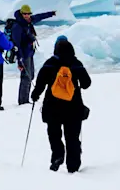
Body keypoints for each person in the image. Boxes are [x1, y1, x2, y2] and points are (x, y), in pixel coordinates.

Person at [31, 36, 91, 173]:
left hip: (52, 107)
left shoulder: (50, 63)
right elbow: (87, 83)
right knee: (72, 137)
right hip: (73, 107)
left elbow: (40, 82)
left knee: (54, 134)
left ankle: (57, 156)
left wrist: (35, 95)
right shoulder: (76, 63)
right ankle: (73, 166)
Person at [11, 4, 57, 105]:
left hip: (29, 52)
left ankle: (25, 99)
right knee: (26, 77)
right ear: (21, 13)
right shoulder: (17, 26)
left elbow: (39, 16)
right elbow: (16, 44)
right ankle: (23, 101)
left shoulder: (28, 21)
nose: (27, 15)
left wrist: (51, 14)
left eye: (28, 14)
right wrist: (20, 60)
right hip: (24, 55)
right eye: (25, 14)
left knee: (30, 76)